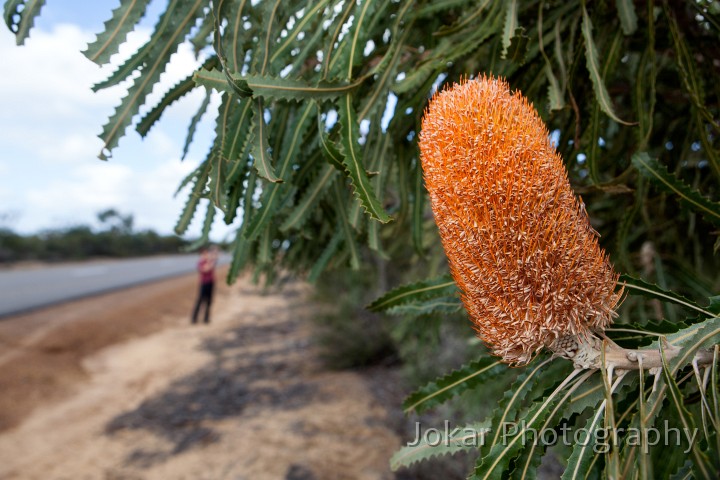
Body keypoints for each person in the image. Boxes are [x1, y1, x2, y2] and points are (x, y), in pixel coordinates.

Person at [191, 245, 218, 324]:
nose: (207, 254)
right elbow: (206, 269)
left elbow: (215, 259)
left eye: (207, 253)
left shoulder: (210, 260)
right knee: (200, 300)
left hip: (211, 282)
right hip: (204, 283)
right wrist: (210, 262)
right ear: (202, 254)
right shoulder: (200, 262)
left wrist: (214, 253)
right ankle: (194, 318)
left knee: (209, 301)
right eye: (205, 253)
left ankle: (206, 319)